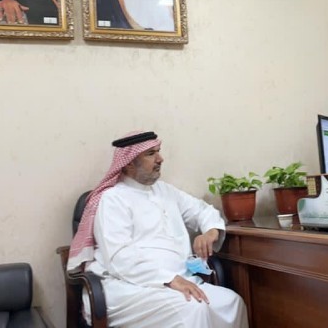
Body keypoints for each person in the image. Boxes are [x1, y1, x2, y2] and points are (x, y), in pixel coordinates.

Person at [68, 131, 248, 327]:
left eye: (158, 151)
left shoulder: (166, 191)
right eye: (151, 154)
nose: (160, 159)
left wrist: (210, 232)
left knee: (231, 303)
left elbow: (203, 211)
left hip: (180, 280)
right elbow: (120, 258)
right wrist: (170, 279)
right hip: (128, 288)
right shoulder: (112, 199)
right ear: (129, 163)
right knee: (192, 308)